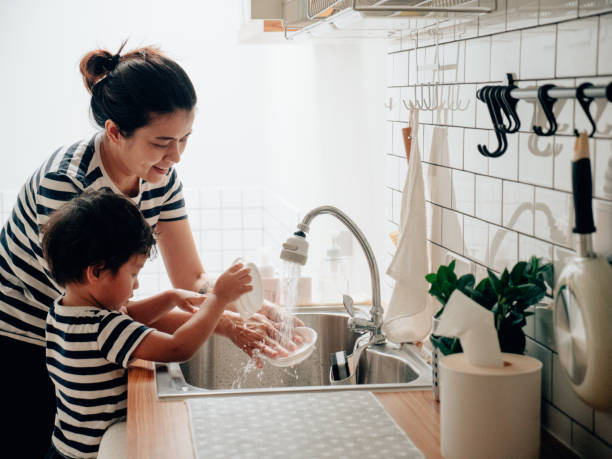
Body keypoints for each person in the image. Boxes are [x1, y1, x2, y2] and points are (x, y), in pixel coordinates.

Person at [0, 42, 301, 457]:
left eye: (184, 139)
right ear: (114, 132)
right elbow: (97, 308)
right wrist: (223, 319)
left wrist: (250, 306)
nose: (176, 156)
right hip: (26, 337)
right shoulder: (68, 185)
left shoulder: (160, 178)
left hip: (88, 334)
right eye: (162, 141)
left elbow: (191, 278)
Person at [41, 190, 254, 458]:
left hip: (63, 447)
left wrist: (171, 296)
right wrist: (219, 298)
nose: (137, 284)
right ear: (95, 272)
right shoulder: (103, 328)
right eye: (133, 273)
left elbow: (127, 314)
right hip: (94, 454)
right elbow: (178, 348)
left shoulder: (63, 310)